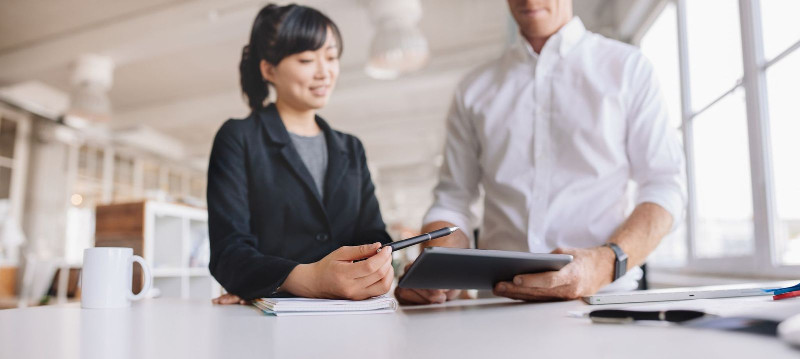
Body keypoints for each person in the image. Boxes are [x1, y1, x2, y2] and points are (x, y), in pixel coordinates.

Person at [395, 0, 686, 304]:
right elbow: (452, 200)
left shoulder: (628, 68)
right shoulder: (474, 89)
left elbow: (665, 186)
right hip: (498, 304)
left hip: (602, 298)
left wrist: (601, 265)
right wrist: (441, 267)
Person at [207, 3, 393, 304]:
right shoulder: (239, 138)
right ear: (269, 69)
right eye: (307, 59)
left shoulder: (351, 148)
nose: (325, 72)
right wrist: (307, 279)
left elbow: (373, 235)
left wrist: (383, 263)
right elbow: (228, 251)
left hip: (352, 316)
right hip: (273, 320)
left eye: (331, 57)